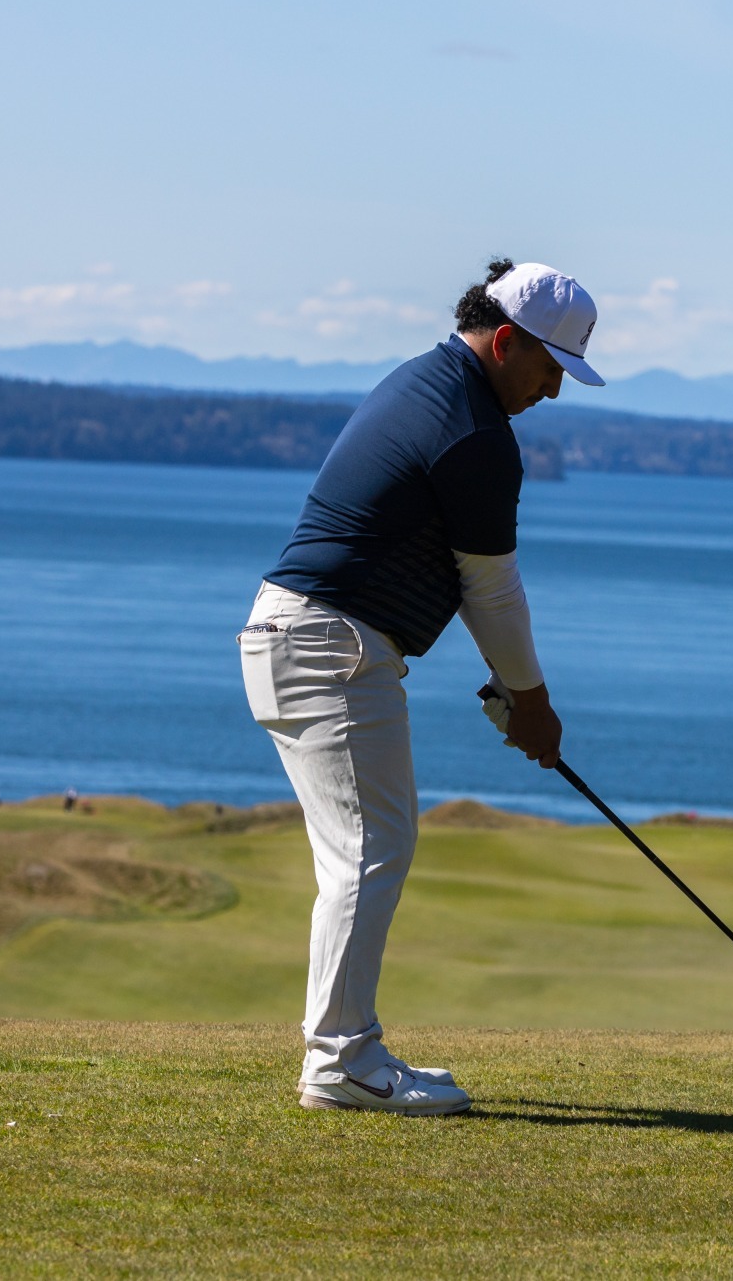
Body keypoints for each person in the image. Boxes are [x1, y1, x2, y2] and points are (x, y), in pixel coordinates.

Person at [238, 258, 603, 1116]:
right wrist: (535, 704)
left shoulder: (429, 383)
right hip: (329, 645)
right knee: (369, 851)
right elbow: (492, 587)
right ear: (506, 341)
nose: (554, 391)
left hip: (311, 637)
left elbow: (473, 584)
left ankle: (353, 1048)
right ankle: (339, 1062)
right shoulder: (474, 431)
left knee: (370, 848)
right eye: (551, 368)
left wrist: (518, 693)